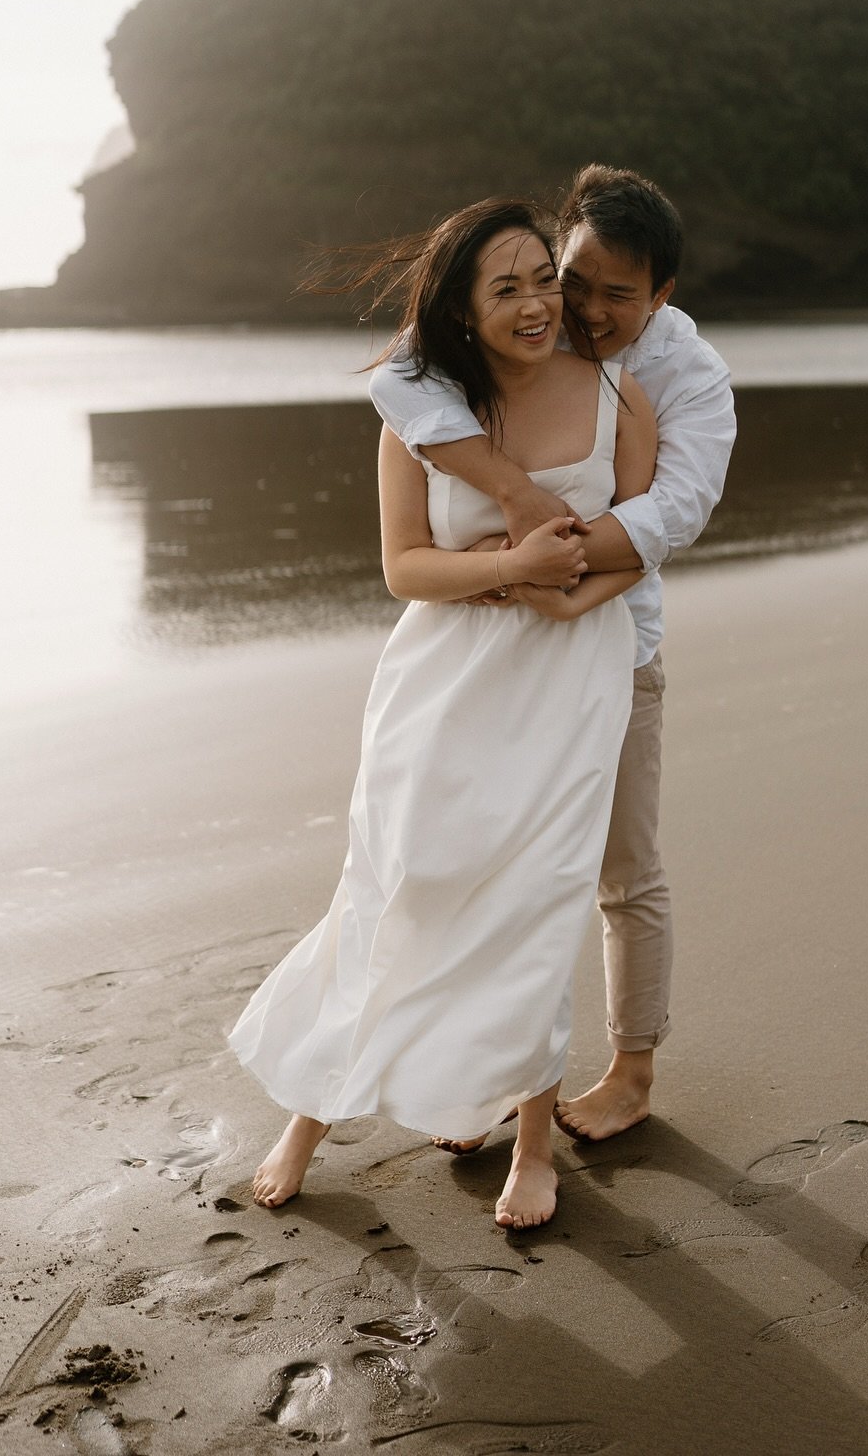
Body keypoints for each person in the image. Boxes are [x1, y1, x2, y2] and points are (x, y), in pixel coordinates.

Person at [228, 197, 657, 1228]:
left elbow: (639, 542)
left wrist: (563, 589)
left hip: (568, 680)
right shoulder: (423, 419)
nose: (536, 304)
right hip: (443, 684)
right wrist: (510, 562)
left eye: (541, 280)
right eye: (504, 288)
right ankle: (311, 1111)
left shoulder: (620, 402)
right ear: (462, 310)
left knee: (541, 901)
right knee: (400, 884)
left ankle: (535, 1140)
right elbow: (403, 568)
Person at [369, 164, 735, 1144]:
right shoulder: (527, 312)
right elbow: (400, 379)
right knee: (487, 874)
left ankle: (632, 1070)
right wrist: (519, 511)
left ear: (661, 296)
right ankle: (485, 1077)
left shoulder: (682, 373)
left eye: (622, 292)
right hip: (484, 662)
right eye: (577, 279)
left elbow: (676, 509)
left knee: (625, 871)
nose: (586, 307)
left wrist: (557, 573)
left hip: (614, 648)